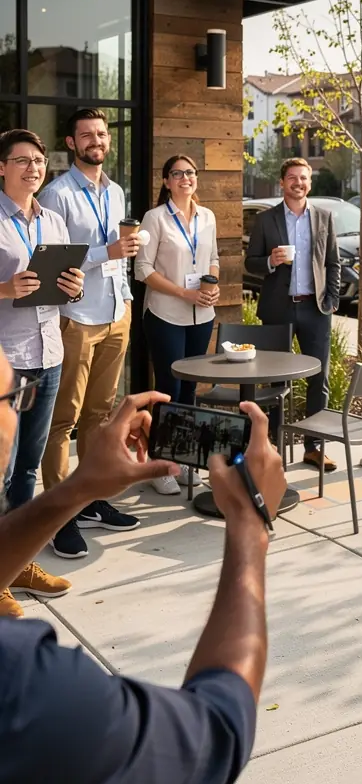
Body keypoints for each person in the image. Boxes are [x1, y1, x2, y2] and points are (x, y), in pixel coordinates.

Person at [0, 338, 286, 784]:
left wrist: (78, 488)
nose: (22, 410)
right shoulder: (26, 687)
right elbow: (216, 735)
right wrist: (250, 529)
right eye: (16, 397)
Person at [38, 108, 141, 560]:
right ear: (71, 142)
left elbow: (122, 254)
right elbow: (53, 264)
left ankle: (93, 498)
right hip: (77, 318)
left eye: (101, 134)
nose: (96, 140)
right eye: (87, 135)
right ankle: (60, 515)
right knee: (63, 420)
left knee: (99, 416)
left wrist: (126, 293)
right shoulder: (57, 195)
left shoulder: (116, 191)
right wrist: (108, 251)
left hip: (117, 313)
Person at [0, 130, 85, 617]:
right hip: (7, 361)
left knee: (27, 471)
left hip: (48, 352)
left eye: (38, 160)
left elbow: (62, 287)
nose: (33, 167)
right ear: (2, 167)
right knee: (2, 472)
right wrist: (5, 286)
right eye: (22, 160)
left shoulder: (52, 219)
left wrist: (72, 288)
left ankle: (21, 562)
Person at [245, 158, 341, 471]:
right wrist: (270, 261)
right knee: (275, 380)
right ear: (282, 182)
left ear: (309, 183)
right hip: (278, 308)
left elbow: (333, 263)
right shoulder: (266, 219)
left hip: (315, 309)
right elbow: (251, 262)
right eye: (291, 178)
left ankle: (314, 446)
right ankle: (273, 446)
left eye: (303, 178)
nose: (298, 183)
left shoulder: (324, 217)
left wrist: (332, 298)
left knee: (319, 379)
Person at [135, 155, 220, 496]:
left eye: (190, 173)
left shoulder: (208, 216)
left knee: (190, 391)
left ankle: (185, 458)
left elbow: (212, 256)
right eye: (177, 173)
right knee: (168, 389)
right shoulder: (154, 218)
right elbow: (143, 268)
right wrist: (185, 292)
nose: (185, 178)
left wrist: (210, 287)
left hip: (202, 316)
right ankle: (161, 464)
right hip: (166, 313)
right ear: (166, 181)